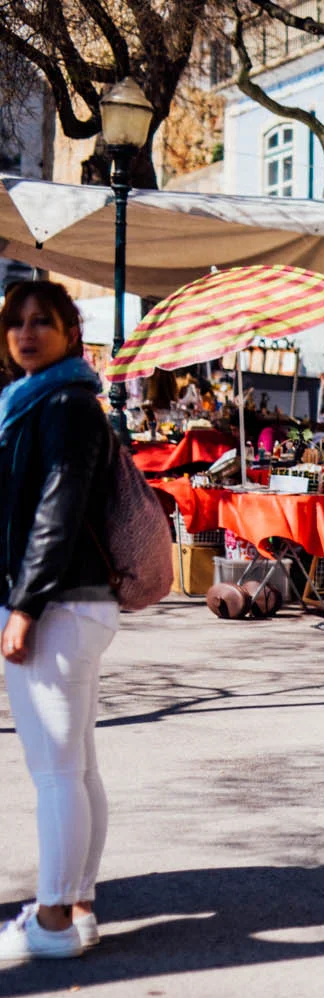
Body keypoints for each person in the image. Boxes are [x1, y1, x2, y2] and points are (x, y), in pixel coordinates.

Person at [0, 282, 120, 963]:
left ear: (70, 332)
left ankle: (50, 918)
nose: (25, 332)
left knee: (55, 770)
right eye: (15, 322)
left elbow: (58, 507)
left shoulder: (64, 404)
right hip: (71, 601)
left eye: (41, 321)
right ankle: (76, 905)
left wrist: (24, 605)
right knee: (75, 766)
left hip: (58, 602)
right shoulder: (40, 400)